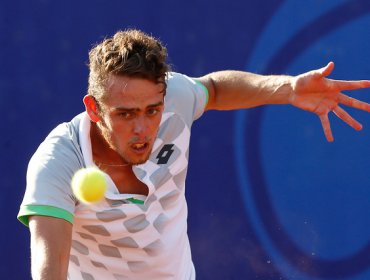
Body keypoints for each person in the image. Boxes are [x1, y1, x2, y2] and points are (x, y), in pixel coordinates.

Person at [17, 29, 370, 280]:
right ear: (94, 109)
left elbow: (214, 88)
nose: (142, 128)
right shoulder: (58, 163)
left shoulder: (176, 98)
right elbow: (50, 265)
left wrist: (287, 88)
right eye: (125, 114)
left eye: (152, 110)